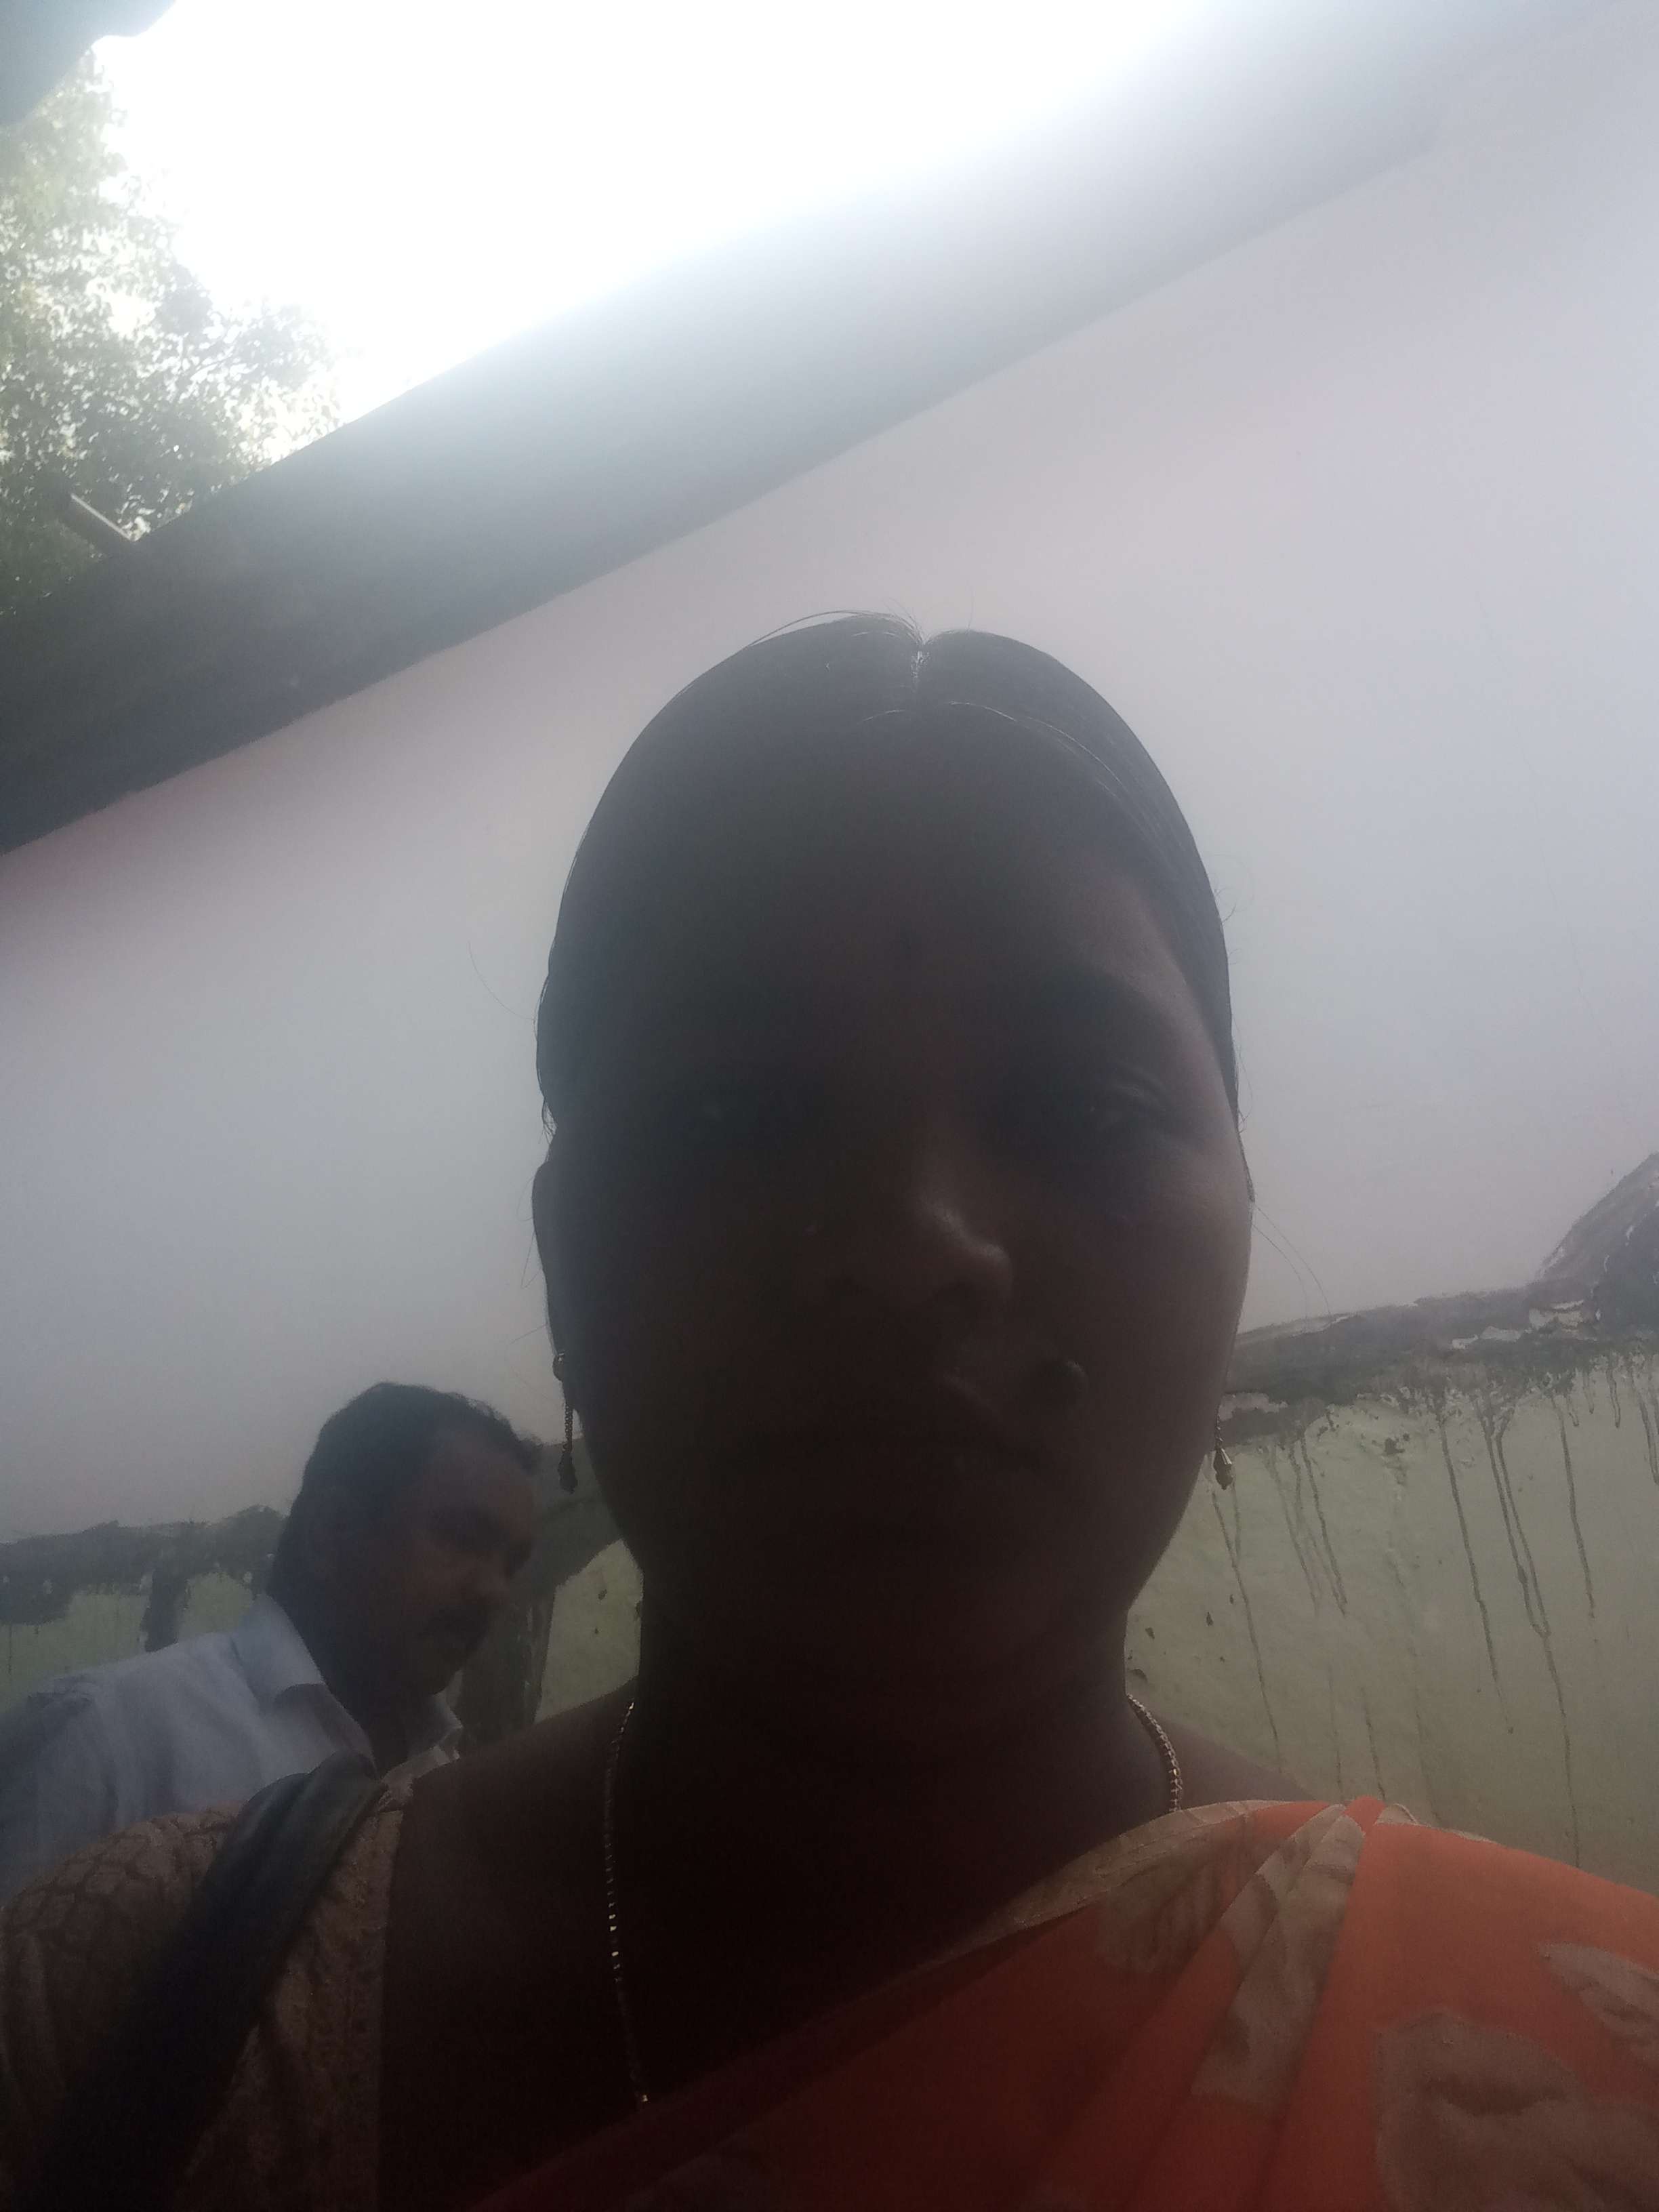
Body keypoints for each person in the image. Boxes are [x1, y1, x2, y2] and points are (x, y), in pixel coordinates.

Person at [5, 618, 1659, 2211]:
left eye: (1081, 1104)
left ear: (1236, 1220)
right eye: (731, 1115)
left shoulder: (1584, 2081)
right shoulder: (117, 2013)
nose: (916, 1244)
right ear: (560, 1263)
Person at [0, 1381, 536, 1902]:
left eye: (511, 1565)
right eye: (462, 1538)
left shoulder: (442, 1771)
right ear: (332, 1531)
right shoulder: (108, 1735)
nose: (495, 1592)